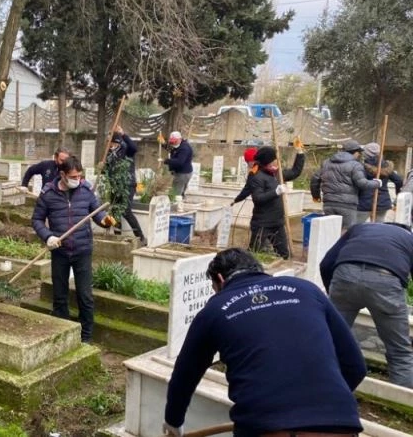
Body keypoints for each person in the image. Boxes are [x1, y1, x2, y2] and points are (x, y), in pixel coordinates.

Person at [164, 248, 366, 437]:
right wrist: (322, 407)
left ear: (220, 279)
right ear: (259, 269)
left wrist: (173, 423)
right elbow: (355, 366)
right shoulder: (307, 289)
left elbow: (184, 376)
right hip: (340, 425)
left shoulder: (214, 310)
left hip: (266, 426)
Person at [32, 156, 117, 343]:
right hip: (60, 251)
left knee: (85, 296)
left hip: (82, 250)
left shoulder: (86, 190)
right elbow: (37, 219)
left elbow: (97, 212)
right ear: (62, 174)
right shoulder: (48, 193)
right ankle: (62, 334)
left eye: (79, 176)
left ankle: (86, 337)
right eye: (73, 176)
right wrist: (48, 236)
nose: (77, 179)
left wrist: (105, 221)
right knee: (59, 296)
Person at [320, 222, 413, 388]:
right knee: (399, 351)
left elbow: (326, 263)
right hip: (386, 281)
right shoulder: (409, 239)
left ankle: (321, 387)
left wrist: (333, 294)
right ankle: (400, 398)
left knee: (330, 339)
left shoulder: (360, 228)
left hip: (345, 275)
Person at [247, 145, 305, 259]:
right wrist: (276, 192)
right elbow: (258, 198)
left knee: (284, 255)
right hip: (262, 224)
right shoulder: (256, 177)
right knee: (255, 253)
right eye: (273, 159)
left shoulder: (277, 174)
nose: (276, 161)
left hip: (277, 223)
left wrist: (300, 153)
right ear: (267, 161)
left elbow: (295, 172)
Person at [310, 139, 381, 230]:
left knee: (330, 231)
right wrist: (377, 183)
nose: (359, 155)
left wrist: (316, 196)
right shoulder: (355, 165)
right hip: (347, 205)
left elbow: (315, 179)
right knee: (347, 232)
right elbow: (362, 184)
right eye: (359, 152)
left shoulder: (326, 163)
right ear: (355, 152)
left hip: (329, 203)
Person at [102, 127, 146, 245]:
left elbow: (134, 148)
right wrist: (102, 168)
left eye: (109, 140)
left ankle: (141, 237)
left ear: (115, 141)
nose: (107, 142)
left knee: (126, 210)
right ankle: (117, 236)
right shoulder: (109, 153)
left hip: (127, 185)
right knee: (114, 210)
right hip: (114, 186)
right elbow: (108, 169)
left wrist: (123, 134)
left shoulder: (125, 150)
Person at [356, 142, 403, 223]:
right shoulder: (386, 166)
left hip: (364, 202)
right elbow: (398, 180)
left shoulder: (361, 166)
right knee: (378, 227)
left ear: (366, 154)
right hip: (382, 202)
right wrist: (397, 193)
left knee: (357, 226)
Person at [161, 131, 193, 211]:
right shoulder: (179, 145)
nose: (173, 143)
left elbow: (180, 162)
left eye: (174, 142)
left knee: (176, 193)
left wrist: (167, 161)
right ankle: (180, 205)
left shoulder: (184, 148)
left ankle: (174, 209)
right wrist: (163, 144)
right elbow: (172, 150)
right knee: (180, 192)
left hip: (183, 173)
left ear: (179, 139)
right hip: (182, 172)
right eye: (172, 142)